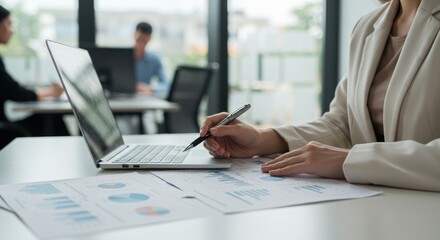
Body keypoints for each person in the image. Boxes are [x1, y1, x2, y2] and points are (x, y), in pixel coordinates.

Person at [200, 0, 440, 192]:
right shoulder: (369, 25)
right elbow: (343, 123)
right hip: (376, 205)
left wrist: (349, 160)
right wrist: (263, 139)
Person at [0, 5, 67, 138]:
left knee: (50, 118)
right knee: (50, 119)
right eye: (8, 25)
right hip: (4, 129)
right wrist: (50, 92)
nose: (11, 31)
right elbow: (16, 93)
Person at [134, 21, 169, 95]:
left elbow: (166, 85)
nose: (140, 43)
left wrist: (150, 88)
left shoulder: (154, 59)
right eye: (139, 39)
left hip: (143, 99)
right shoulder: (122, 57)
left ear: (149, 38)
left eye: (144, 39)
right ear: (134, 35)